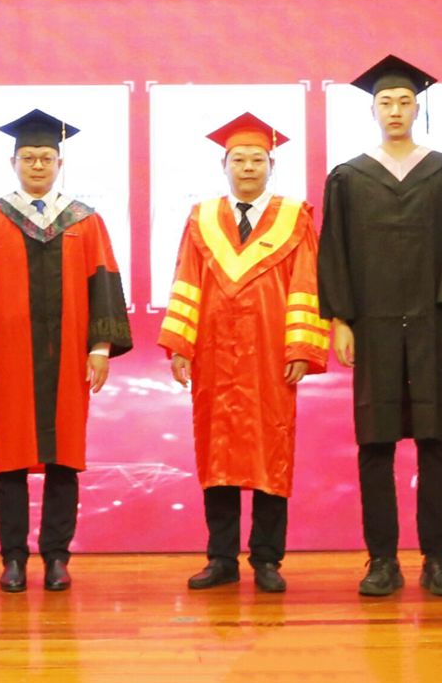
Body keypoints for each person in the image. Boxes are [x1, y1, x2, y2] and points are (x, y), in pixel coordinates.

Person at [0, 109, 132, 593]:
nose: (38, 165)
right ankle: (13, 558)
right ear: (14, 162)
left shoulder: (85, 220)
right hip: (8, 357)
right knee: (10, 456)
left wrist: (100, 347)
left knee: (65, 457)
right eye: (29, 157)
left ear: (60, 163)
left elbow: (103, 283)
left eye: (46, 157)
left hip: (68, 358)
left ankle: (57, 557)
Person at [318, 56, 442, 597]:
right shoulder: (349, 177)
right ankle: (382, 560)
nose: (395, 110)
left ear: (417, 108)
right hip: (374, 326)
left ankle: (438, 558)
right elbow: (335, 250)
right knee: (376, 442)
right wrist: (341, 319)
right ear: (373, 110)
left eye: (404, 102)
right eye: (385, 102)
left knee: (436, 442)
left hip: (435, 322)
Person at [160, 113, 329, 594]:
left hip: (270, 353)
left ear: (271, 165)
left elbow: (306, 285)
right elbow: (187, 280)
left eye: (257, 160)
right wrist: (181, 345)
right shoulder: (202, 217)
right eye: (239, 160)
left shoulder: (294, 217)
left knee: (271, 452)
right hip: (214, 352)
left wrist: (300, 346)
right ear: (224, 165)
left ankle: (268, 559)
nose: (248, 168)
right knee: (218, 453)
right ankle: (221, 558)